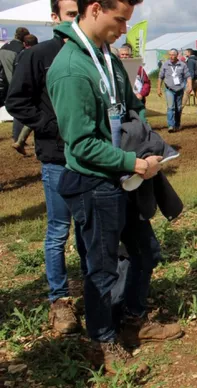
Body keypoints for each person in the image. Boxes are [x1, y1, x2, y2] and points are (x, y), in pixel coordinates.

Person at [47, 0, 182, 373]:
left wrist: (143, 139)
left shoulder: (106, 57)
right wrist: (133, 161)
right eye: (120, 19)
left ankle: (133, 322)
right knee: (102, 269)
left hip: (127, 179)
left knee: (145, 253)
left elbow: (130, 106)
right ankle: (103, 342)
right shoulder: (71, 69)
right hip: (96, 184)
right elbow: (80, 145)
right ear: (94, 8)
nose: (125, 28)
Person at [5, 0, 83, 334]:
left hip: (92, 159)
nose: (75, 20)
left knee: (88, 228)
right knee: (57, 230)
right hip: (56, 158)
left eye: (80, 13)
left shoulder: (93, 54)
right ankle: (59, 300)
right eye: (69, 15)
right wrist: (50, 125)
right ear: (54, 18)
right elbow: (16, 100)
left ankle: (96, 293)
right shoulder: (37, 56)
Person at [9, 34, 40, 155]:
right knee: (39, 115)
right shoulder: (38, 53)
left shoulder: (20, 55)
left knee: (31, 116)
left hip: (23, 88)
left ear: (24, 44)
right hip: (36, 88)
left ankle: (20, 141)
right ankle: (21, 141)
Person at [157, 49, 192, 132]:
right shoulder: (165, 64)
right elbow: (160, 77)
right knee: (170, 107)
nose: (171, 57)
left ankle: (177, 124)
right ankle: (171, 125)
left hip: (179, 89)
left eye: (173, 55)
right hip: (169, 89)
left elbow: (188, 76)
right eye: (170, 55)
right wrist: (159, 88)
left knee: (178, 108)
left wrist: (190, 86)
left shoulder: (182, 65)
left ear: (177, 55)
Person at [181, 48, 197, 114]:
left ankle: (180, 109)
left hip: (192, 80)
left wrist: (189, 82)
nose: (185, 53)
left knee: (186, 94)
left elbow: (191, 72)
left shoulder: (190, 60)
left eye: (186, 52)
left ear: (189, 53)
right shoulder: (196, 60)